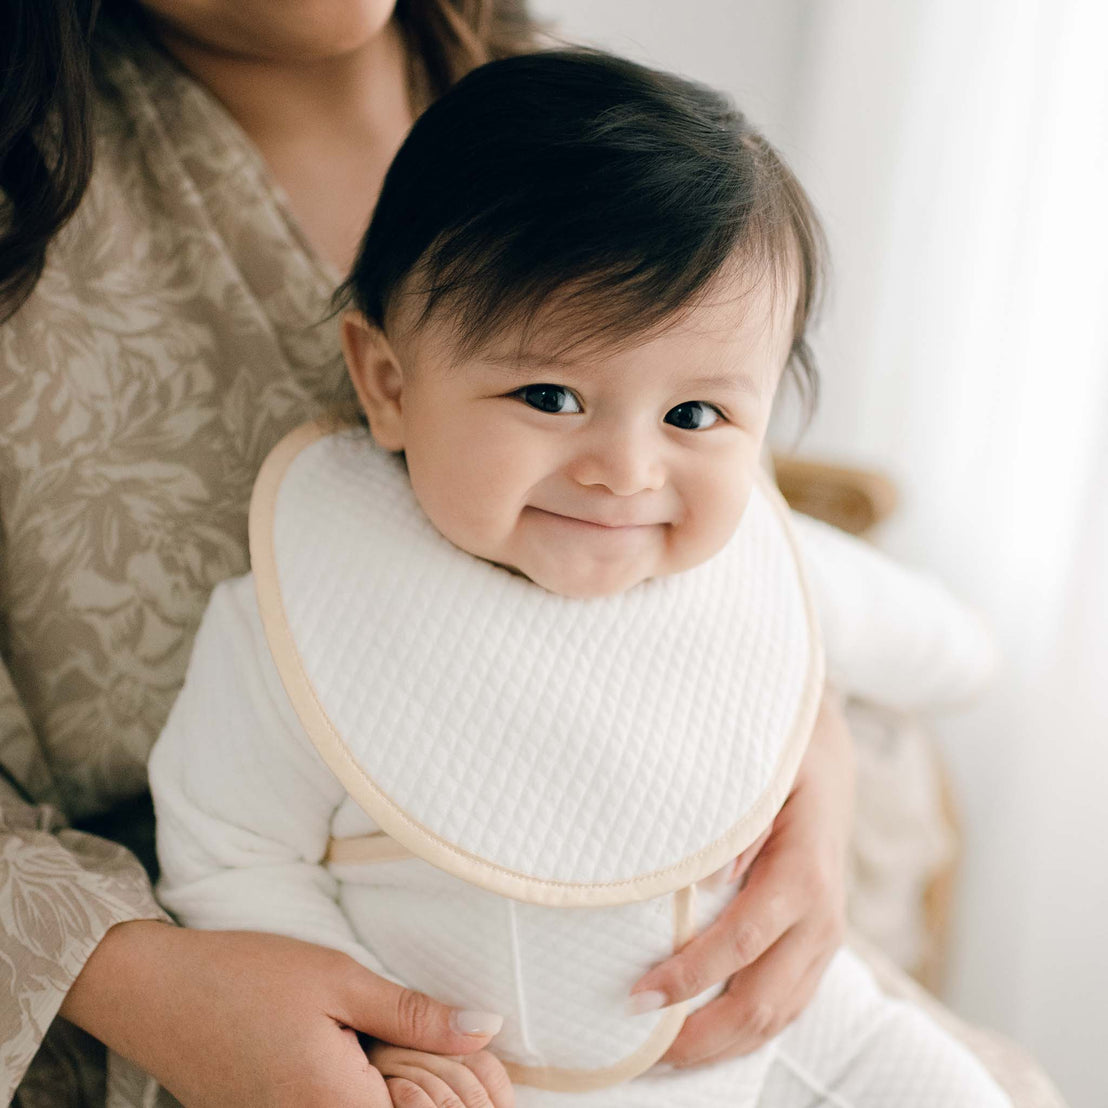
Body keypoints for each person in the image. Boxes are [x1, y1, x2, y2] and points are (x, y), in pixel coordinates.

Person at [0, 3, 1060, 1108]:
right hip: (435, 1059)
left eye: (691, 417)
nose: (624, 471)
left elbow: (909, 633)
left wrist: (805, 723)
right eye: (550, 397)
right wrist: (204, 990)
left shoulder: (574, 117)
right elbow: (232, 847)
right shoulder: (276, 628)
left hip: (775, 1010)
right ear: (386, 382)